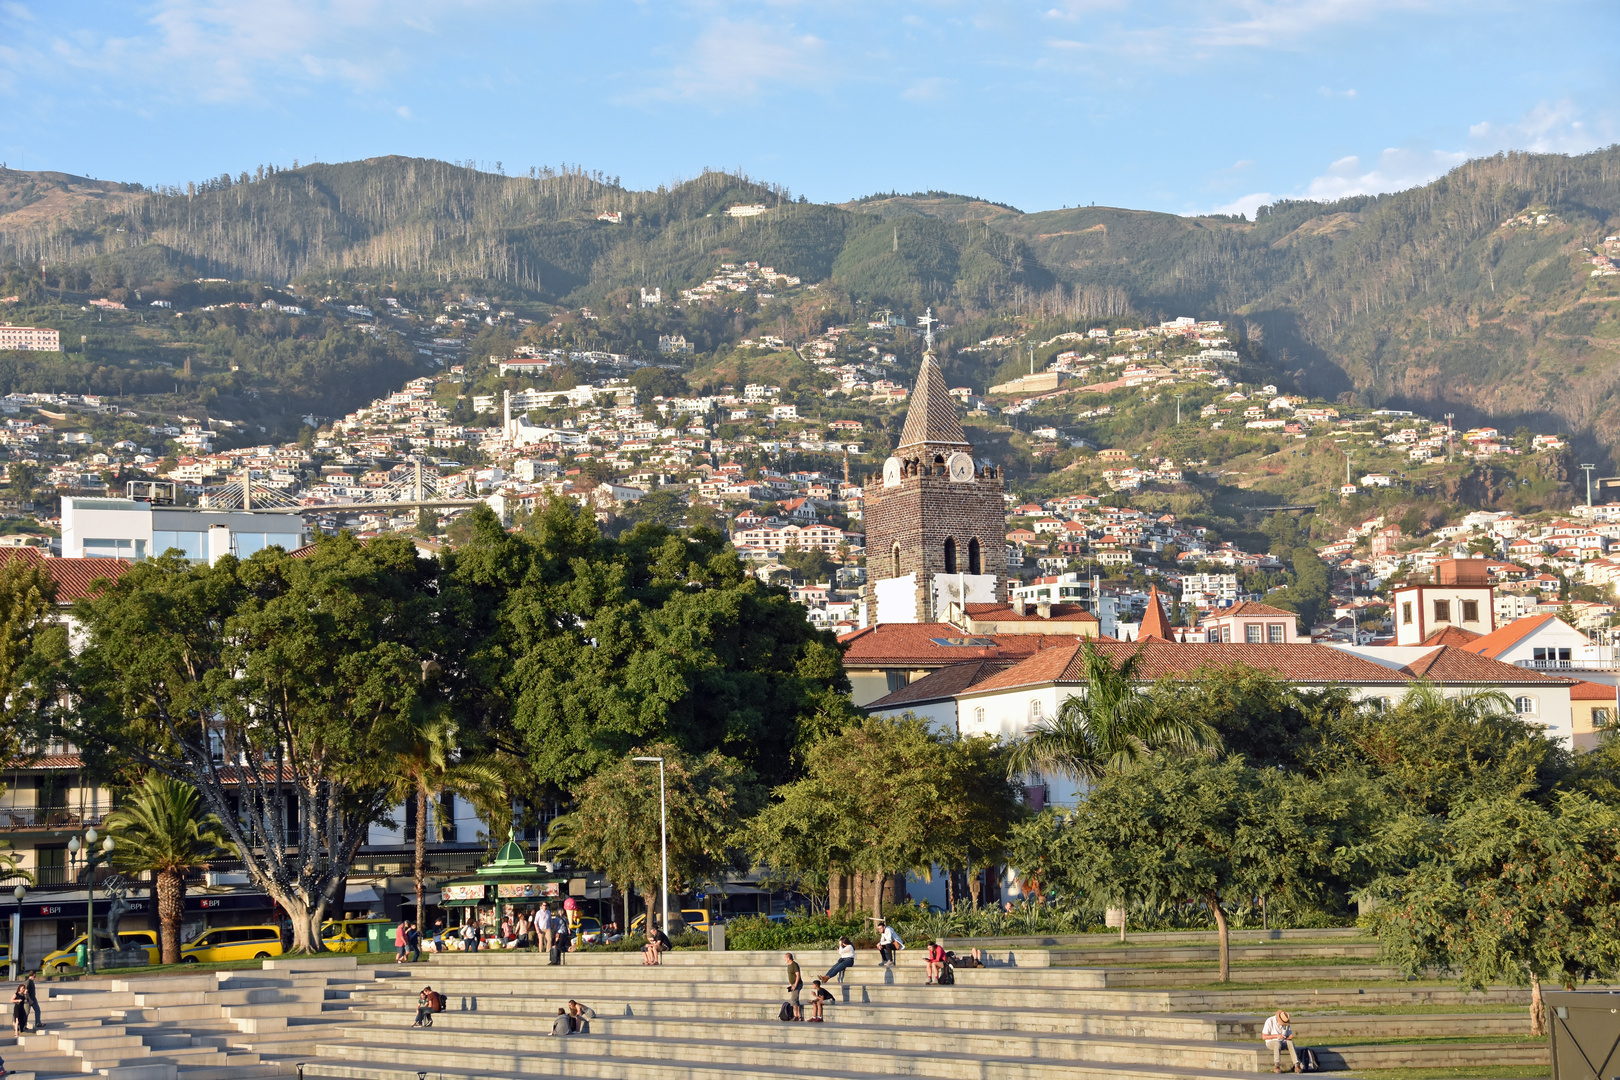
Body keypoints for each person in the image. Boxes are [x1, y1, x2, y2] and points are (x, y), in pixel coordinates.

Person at [784, 952, 803, 1021]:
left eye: (785, 958)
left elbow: (798, 975)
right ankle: (797, 1015)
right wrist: (790, 984)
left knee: (794, 999)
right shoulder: (789, 965)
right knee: (795, 1000)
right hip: (792, 984)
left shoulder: (794, 965)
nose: (784, 959)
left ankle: (797, 1016)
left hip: (797, 984)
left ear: (789, 958)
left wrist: (795, 985)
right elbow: (790, 976)